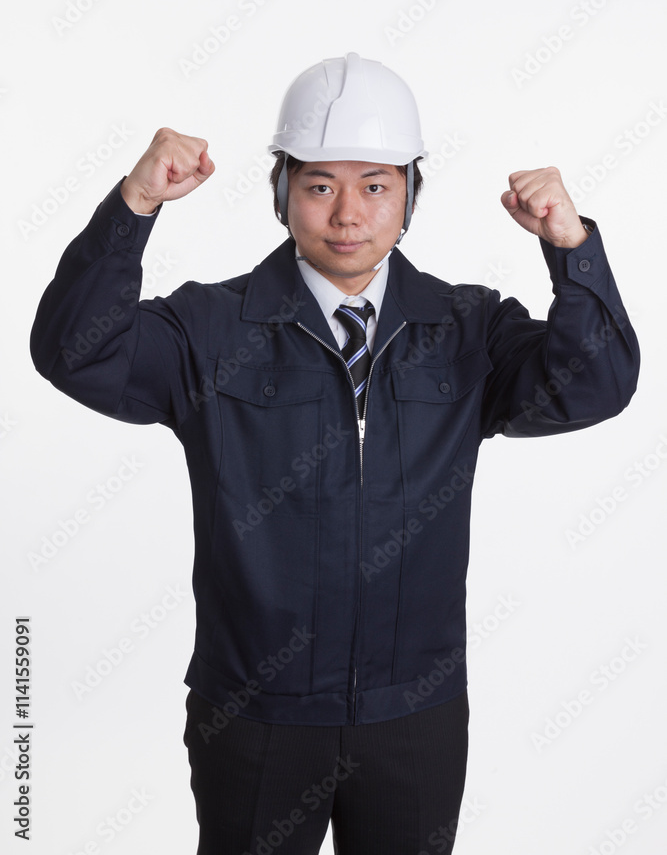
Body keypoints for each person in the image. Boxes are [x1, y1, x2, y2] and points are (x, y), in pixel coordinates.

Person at [30, 52, 640, 854]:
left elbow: (595, 386)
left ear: (409, 194)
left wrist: (572, 247)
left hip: (413, 715)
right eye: (319, 186)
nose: (348, 214)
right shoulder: (209, 329)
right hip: (254, 712)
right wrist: (133, 205)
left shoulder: (467, 329)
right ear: (281, 192)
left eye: (376, 186)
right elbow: (74, 351)